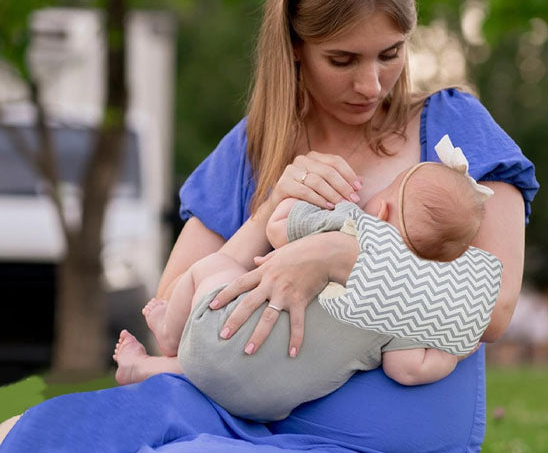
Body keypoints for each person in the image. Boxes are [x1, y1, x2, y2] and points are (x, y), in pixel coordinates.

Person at [0, 0, 538, 453]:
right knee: (49, 430)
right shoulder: (252, 149)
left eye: (390, 53)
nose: (371, 84)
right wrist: (268, 214)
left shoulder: (450, 125)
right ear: (295, 48)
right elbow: (171, 310)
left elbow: (494, 309)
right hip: (227, 419)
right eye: (343, 60)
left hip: (372, 447)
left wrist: (337, 255)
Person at [112, 140, 495, 423]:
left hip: (218, 336)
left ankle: (170, 334)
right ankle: (147, 369)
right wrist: (452, 351)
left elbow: (279, 226)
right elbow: (406, 370)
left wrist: (313, 214)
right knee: (246, 365)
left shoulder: (352, 224)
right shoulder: (410, 310)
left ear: (383, 208)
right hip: (271, 403)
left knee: (211, 268)